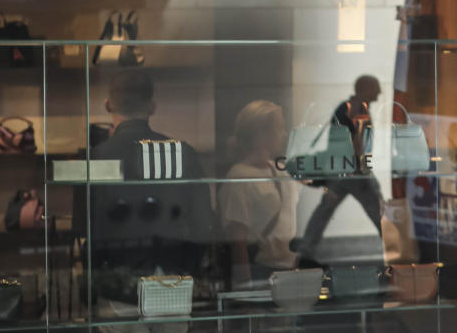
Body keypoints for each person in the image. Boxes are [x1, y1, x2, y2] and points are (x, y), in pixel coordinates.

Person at [73, 69, 215, 323]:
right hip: (172, 278)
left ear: (108, 105)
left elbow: (83, 230)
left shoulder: (95, 158)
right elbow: (203, 222)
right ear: (152, 106)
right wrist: (187, 270)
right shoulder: (183, 153)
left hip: (116, 281)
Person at [294, 75, 383, 264]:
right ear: (365, 89)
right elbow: (356, 145)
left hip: (342, 170)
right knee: (377, 209)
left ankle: (306, 251)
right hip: (353, 172)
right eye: (375, 88)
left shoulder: (347, 107)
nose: (379, 92)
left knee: (326, 208)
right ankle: (394, 245)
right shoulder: (355, 109)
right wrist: (363, 172)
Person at [217, 100, 297, 288]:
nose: (284, 134)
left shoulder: (280, 170)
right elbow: (238, 239)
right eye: (279, 128)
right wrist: (245, 285)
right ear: (262, 134)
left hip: (288, 268)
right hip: (263, 271)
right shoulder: (239, 178)